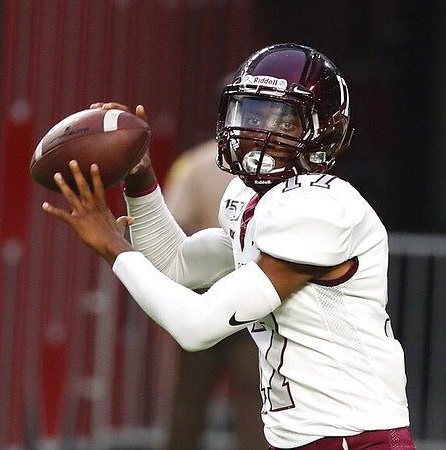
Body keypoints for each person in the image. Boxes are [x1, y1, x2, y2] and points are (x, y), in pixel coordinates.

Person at [42, 43, 416, 450]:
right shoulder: (254, 198)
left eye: (283, 120)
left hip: (353, 440)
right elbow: (175, 263)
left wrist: (113, 246)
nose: (257, 131)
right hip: (308, 440)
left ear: (323, 129)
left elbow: (197, 326)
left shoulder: (320, 209)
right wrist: (139, 178)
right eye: (250, 113)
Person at [160, 139, 267, 450]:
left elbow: (173, 224)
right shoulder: (274, 166)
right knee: (254, 399)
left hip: (203, 295)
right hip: (254, 294)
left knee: (189, 399)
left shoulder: (195, 162)